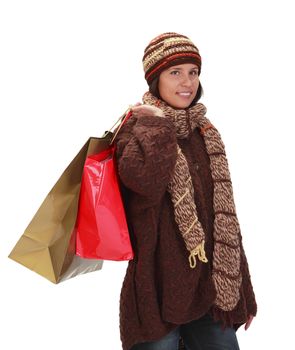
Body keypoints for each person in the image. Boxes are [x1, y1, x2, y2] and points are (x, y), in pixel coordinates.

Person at [114, 32, 257, 350]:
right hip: (158, 295)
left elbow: (223, 221)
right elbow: (145, 186)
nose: (187, 82)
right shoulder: (135, 130)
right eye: (175, 72)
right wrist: (158, 127)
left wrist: (242, 292)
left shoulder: (205, 134)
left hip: (209, 295)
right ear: (155, 79)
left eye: (193, 72)